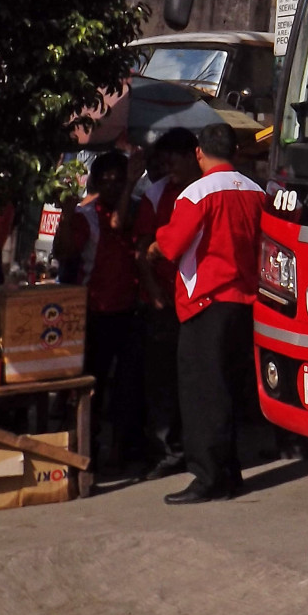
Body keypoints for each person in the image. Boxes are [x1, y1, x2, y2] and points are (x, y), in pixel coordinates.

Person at [150, 122, 264, 503]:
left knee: (202, 395)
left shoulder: (196, 193)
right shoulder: (255, 190)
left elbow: (172, 244)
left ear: (199, 152)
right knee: (228, 391)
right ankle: (229, 473)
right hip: (245, 303)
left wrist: (154, 245)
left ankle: (207, 477)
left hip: (207, 302)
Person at [54, 149, 146, 469]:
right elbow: (63, 251)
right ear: (94, 182)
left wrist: (130, 184)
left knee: (128, 387)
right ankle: (85, 448)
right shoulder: (86, 216)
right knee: (91, 385)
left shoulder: (134, 210)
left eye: (118, 181)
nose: (111, 187)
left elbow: (121, 224)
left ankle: (123, 450)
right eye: (105, 181)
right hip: (95, 312)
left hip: (128, 312)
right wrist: (66, 214)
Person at [131, 127, 199, 480]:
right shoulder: (156, 195)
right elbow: (142, 247)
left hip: (197, 302)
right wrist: (154, 290)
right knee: (161, 383)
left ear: (193, 157)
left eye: (173, 160)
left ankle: (194, 449)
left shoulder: (205, 190)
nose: (167, 167)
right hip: (164, 303)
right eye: (163, 161)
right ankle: (168, 451)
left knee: (194, 381)